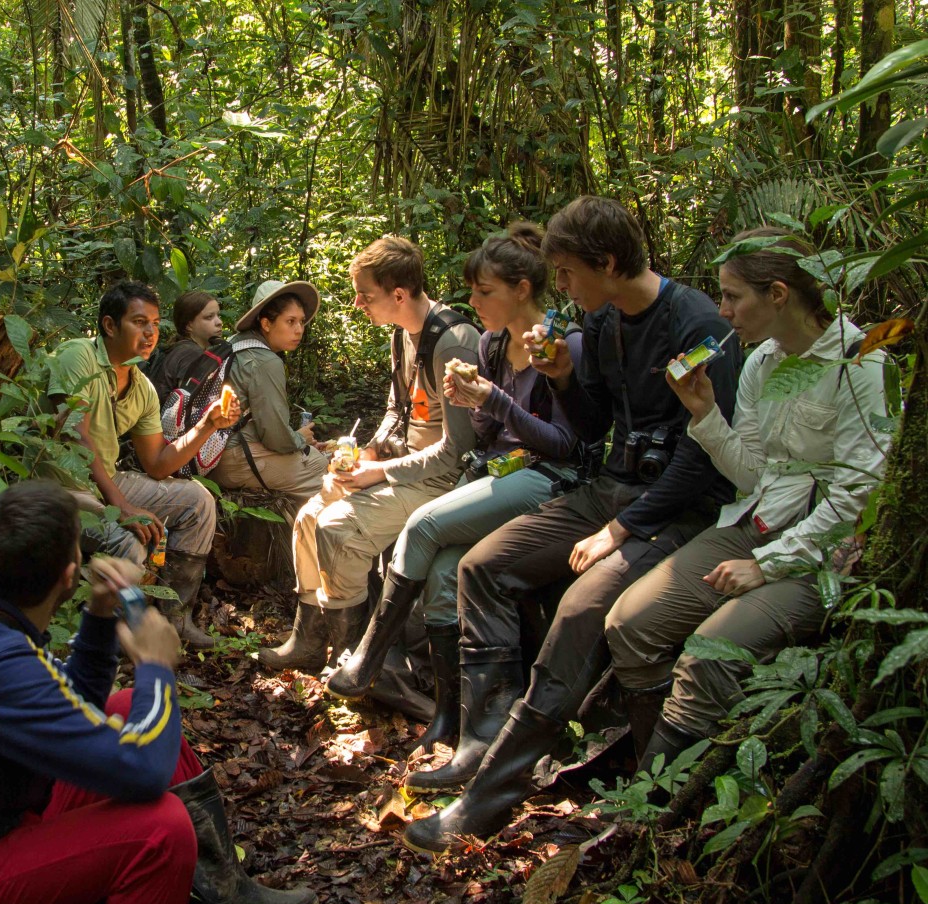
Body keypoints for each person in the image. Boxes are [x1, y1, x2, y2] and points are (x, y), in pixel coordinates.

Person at [403, 196, 740, 852]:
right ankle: (481, 740)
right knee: (482, 567)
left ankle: (494, 796)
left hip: (677, 509)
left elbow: (703, 460)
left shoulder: (696, 324)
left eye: (566, 274)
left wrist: (623, 529)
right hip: (612, 488)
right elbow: (591, 431)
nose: (560, 288)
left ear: (607, 263)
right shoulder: (608, 323)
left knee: (582, 608)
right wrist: (560, 378)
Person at [0, 480, 317, 904]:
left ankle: (224, 895)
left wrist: (100, 615)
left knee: (124, 706)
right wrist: (156, 669)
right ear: (70, 574)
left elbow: (71, 700)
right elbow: (143, 771)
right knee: (161, 831)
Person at [605, 228, 888, 769]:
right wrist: (705, 415)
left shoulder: (862, 363)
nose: (722, 309)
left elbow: (858, 494)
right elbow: (756, 475)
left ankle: (653, 805)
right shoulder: (764, 362)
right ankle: (645, 770)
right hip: (759, 521)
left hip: (824, 552)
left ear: (777, 295)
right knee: (629, 623)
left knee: (707, 654)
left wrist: (767, 565)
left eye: (733, 295)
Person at [325, 223, 582, 793]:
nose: (472, 303)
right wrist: (472, 400)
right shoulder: (489, 345)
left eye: (483, 291)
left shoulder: (562, 341)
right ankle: (456, 721)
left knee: (422, 525)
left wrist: (493, 401)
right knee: (445, 575)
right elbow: (483, 436)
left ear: (520, 288)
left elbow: (566, 444)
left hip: (547, 477)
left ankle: (370, 655)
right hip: (497, 472)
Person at [259, 237, 481, 681]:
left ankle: (361, 664)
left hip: (441, 480)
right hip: (402, 466)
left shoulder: (453, 342)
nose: (357, 303)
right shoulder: (402, 334)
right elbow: (398, 412)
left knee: (338, 531)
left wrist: (379, 471)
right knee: (308, 517)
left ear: (399, 294)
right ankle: (308, 643)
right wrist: (363, 453)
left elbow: (457, 450)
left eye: (366, 294)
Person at [48, 281, 242, 648]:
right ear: (109, 325)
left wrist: (207, 424)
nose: (150, 333)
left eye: (154, 323)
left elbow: (157, 464)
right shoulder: (79, 356)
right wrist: (120, 506)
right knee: (127, 540)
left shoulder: (141, 387)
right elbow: (76, 435)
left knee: (198, 500)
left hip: (102, 481)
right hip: (58, 486)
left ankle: (174, 619)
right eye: (139, 322)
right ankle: (108, 643)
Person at [209, 280, 330, 510]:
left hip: (212, 454)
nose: (299, 330)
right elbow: (275, 436)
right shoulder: (265, 361)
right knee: (324, 469)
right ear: (266, 323)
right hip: (233, 459)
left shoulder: (236, 344)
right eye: (290, 321)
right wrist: (300, 438)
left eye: (302, 322)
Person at [146, 290, 229, 401]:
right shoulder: (191, 354)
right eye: (209, 317)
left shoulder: (178, 348)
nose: (219, 322)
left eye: (218, 315)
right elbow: (191, 405)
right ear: (189, 325)